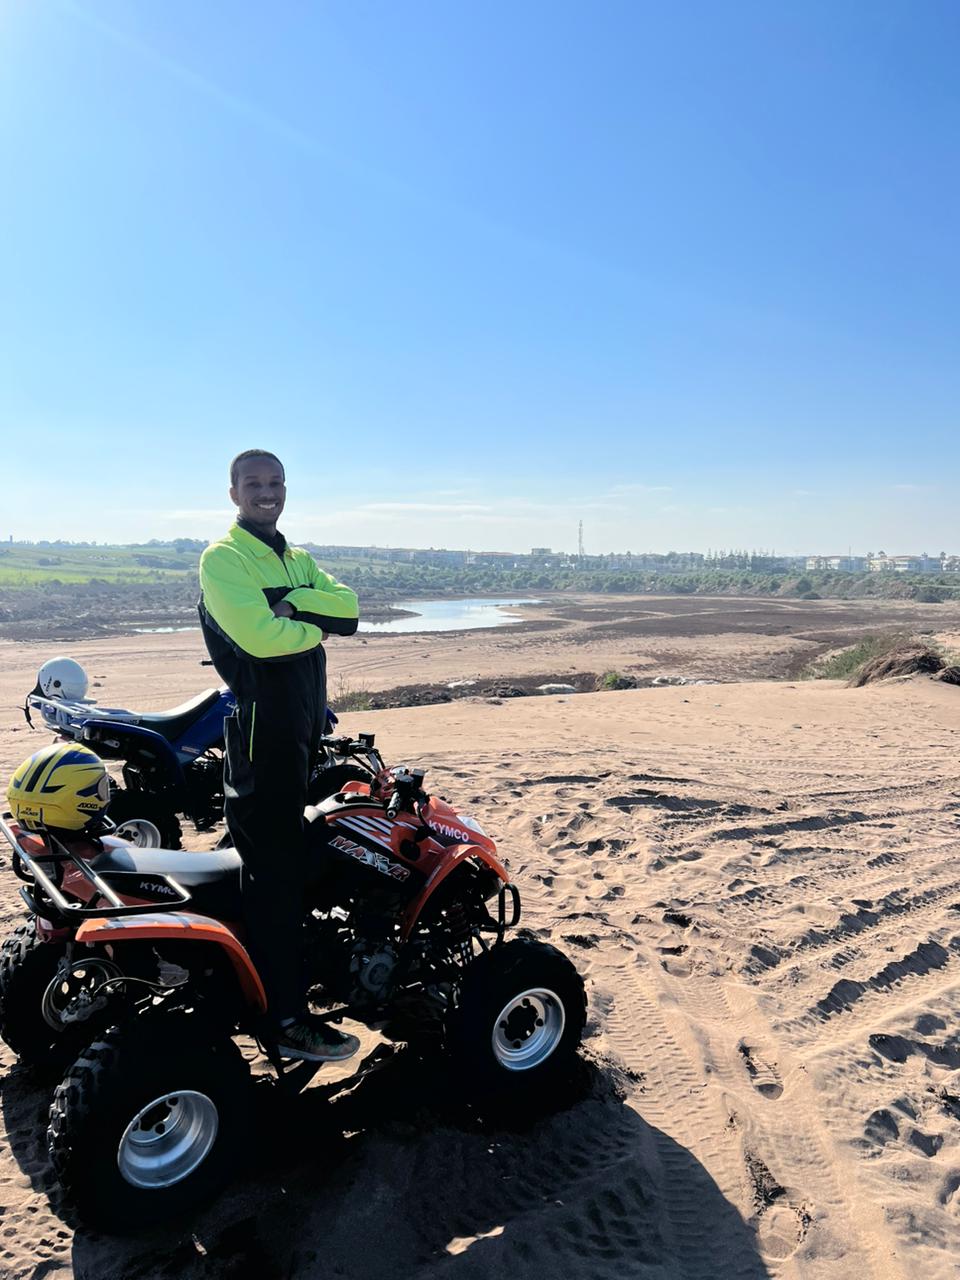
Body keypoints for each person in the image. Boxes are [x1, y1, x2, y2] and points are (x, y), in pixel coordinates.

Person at [198, 449, 361, 1061]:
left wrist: (294, 604)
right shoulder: (224, 558)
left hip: (301, 737)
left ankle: (296, 977)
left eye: (275, 483)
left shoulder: (297, 558)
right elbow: (262, 641)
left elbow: (351, 608)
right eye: (253, 484)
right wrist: (313, 620)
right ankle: (285, 1020)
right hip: (262, 742)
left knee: (296, 860)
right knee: (274, 878)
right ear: (234, 493)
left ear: (285, 489)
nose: (266, 492)